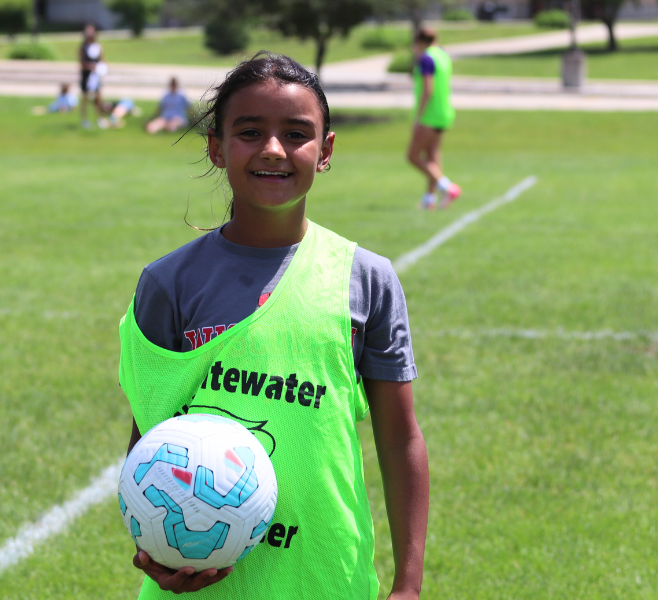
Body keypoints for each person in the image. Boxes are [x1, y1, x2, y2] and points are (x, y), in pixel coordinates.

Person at [119, 52, 429, 600]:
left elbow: (399, 436)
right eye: (250, 131)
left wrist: (407, 583)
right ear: (217, 146)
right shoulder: (168, 283)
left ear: (326, 150)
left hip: (325, 575)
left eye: (296, 133)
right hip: (203, 582)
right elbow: (150, 436)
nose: (272, 149)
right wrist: (156, 552)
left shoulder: (366, 279)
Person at [407, 28, 461, 210]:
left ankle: (447, 187)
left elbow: (427, 90)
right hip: (444, 113)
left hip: (430, 115)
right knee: (432, 156)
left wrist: (418, 117)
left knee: (413, 156)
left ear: (420, 42)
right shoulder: (443, 56)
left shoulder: (427, 59)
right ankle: (429, 200)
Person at [78, 23, 106, 129]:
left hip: (96, 75)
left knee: (98, 97)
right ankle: (84, 119)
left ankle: (100, 118)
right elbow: (81, 62)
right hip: (86, 74)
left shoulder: (98, 46)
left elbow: (102, 59)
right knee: (85, 97)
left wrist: (101, 68)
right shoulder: (83, 46)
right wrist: (91, 66)